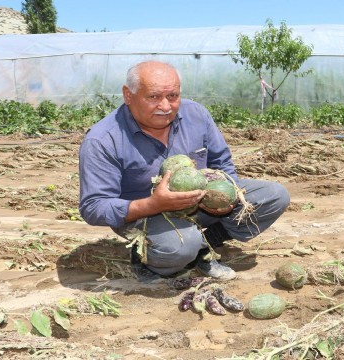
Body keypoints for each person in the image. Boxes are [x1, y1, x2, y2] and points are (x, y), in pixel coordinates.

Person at [78, 60, 290, 282]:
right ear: (128, 95)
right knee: (179, 247)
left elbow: (222, 161)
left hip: (200, 207)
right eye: (153, 97)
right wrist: (153, 204)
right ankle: (147, 257)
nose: (166, 106)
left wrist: (227, 195)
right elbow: (94, 207)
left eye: (173, 96)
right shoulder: (102, 140)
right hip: (143, 215)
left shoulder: (196, 115)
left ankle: (206, 244)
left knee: (274, 196)